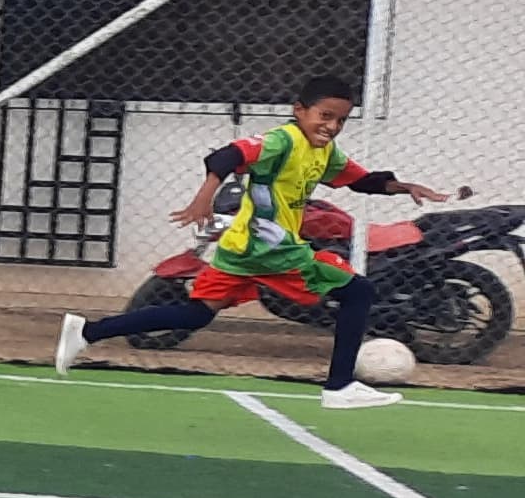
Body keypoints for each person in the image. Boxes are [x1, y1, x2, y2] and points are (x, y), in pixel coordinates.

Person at [58, 74, 451, 409]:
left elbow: (361, 180)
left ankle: (87, 332)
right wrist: (203, 198)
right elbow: (225, 156)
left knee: (196, 315)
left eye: (341, 120)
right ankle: (339, 386)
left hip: (241, 248)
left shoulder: (323, 151)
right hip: (270, 248)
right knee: (358, 291)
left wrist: (404, 186)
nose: (332, 126)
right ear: (300, 111)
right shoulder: (282, 141)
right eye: (325, 116)